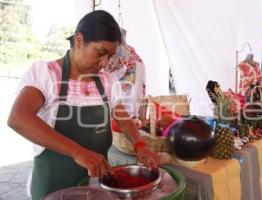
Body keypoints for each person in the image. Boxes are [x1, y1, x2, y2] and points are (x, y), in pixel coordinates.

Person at [7, 10, 159, 200]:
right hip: (53, 189)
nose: (104, 63)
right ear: (79, 40)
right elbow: (18, 118)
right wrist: (77, 151)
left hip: (94, 190)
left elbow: (123, 118)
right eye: (100, 53)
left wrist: (139, 145)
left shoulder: (106, 81)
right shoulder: (47, 74)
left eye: (109, 56)